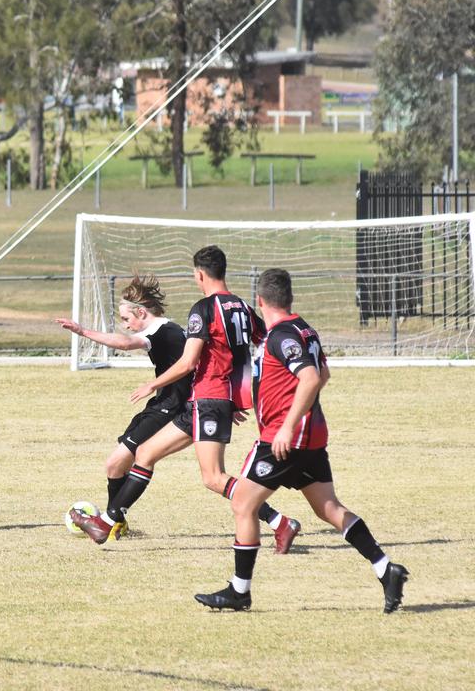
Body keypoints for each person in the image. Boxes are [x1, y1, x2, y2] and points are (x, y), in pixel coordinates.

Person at [195, 268, 409, 612]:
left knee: (243, 505)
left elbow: (310, 378)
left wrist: (288, 425)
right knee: (330, 510)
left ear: (260, 301)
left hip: (284, 440)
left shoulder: (281, 336)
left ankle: (239, 591)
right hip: (308, 439)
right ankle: (386, 570)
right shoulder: (304, 328)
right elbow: (322, 373)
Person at [71, 246, 301, 551]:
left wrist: (154, 385)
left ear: (200, 274)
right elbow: (262, 347)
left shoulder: (204, 309)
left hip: (209, 399)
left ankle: (279, 522)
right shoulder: (244, 308)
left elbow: (189, 362)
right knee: (146, 454)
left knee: (213, 478)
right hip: (206, 402)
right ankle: (110, 520)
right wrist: (239, 395)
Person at [55, 275, 191, 540]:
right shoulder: (173, 330)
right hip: (163, 403)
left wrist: (83, 332)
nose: (126, 325)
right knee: (115, 466)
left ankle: (110, 521)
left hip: (171, 407)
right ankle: (116, 521)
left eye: (127, 319)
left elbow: (127, 344)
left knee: (119, 462)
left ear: (141, 312)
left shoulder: (159, 330)